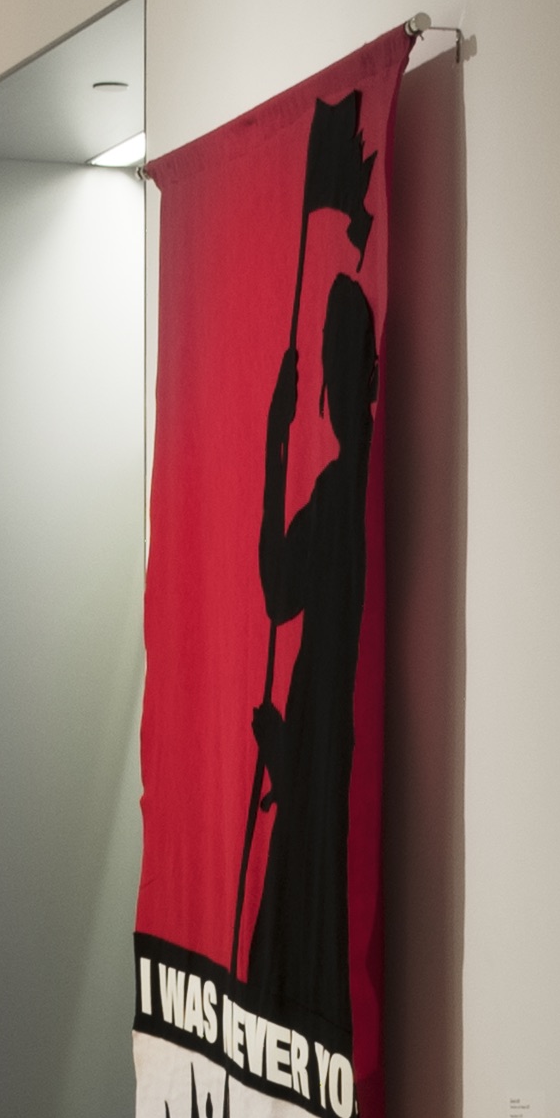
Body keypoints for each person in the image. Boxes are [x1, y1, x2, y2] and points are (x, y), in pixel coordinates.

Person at [236, 93, 382, 1049]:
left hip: (321, 768)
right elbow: (277, 590)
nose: (331, 369)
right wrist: (275, 448)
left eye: (336, 354)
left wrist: (290, 753)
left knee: (283, 977)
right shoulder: (338, 486)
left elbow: (287, 597)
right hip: (308, 762)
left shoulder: (354, 492)